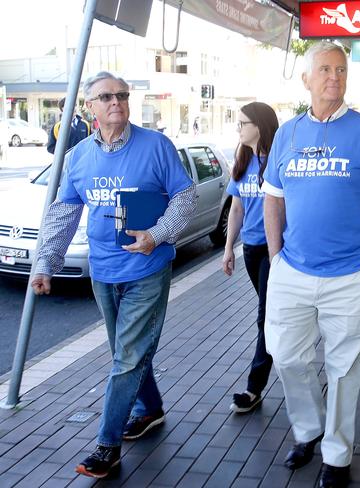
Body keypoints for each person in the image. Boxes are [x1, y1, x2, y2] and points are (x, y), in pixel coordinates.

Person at [31, 71, 197, 478]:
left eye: (122, 95)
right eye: (106, 97)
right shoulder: (79, 157)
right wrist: (44, 263)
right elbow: (64, 212)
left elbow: (186, 195)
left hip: (147, 268)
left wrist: (157, 235)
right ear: (91, 107)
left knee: (126, 358)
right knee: (128, 354)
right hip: (103, 272)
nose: (116, 102)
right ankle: (151, 409)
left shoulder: (156, 146)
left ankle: (107, 447)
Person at [262, 41, 360, 488]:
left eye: (341, 70)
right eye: (324, 69)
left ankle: (337, 455)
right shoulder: (287, 133)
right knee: (286, 356)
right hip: (292, 271)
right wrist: (275, 259)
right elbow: (273, 199)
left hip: (351, 275)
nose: (334, 77)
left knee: (344, 370)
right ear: (306, 79)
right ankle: (308, 429)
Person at [222, 102, 279, 414]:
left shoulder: (277, 160)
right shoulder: (243, 159)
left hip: (275, 250)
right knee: (273, 316)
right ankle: (286, 349)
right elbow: (237, 208)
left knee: (265, 317)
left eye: (243, 123)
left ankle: (253, 387)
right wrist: (229, 247)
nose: (239, 128)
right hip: (251, 249)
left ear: (260, 124)